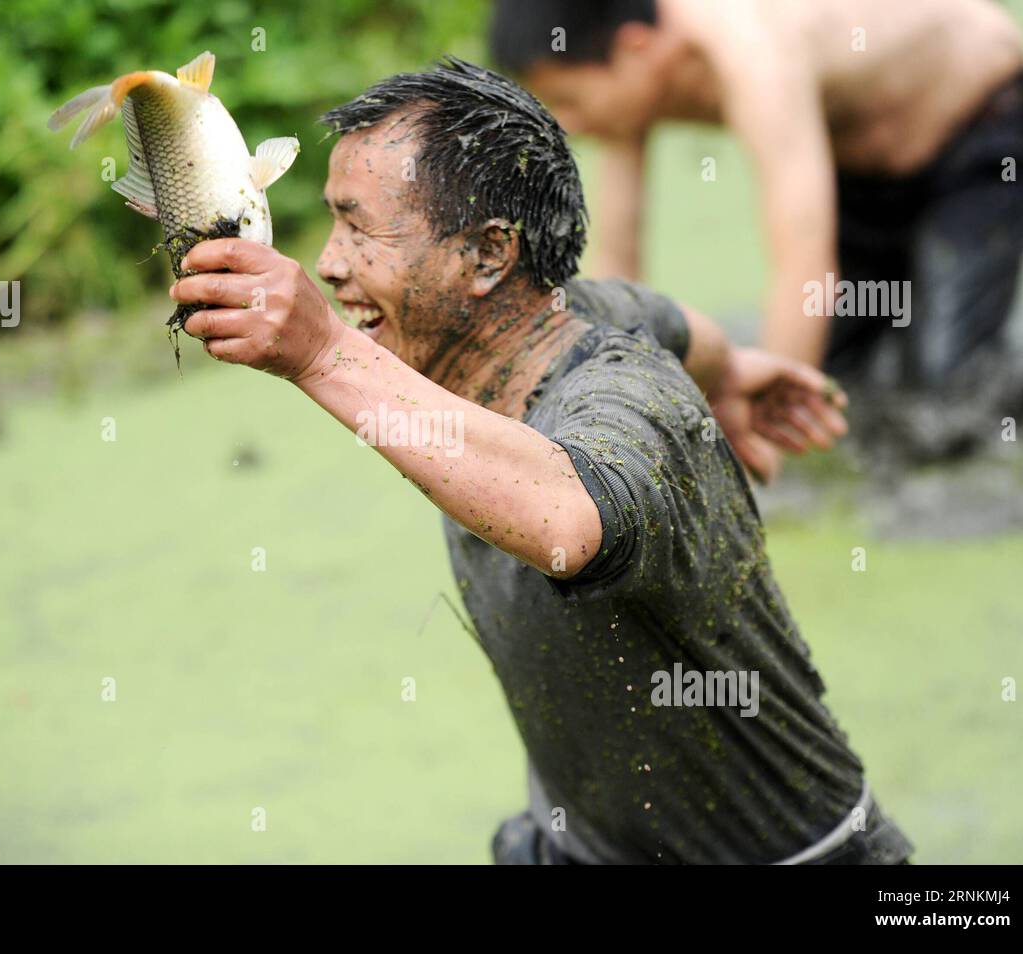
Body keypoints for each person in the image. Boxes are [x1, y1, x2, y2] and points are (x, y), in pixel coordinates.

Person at [168, 58, 911, 863]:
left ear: (490, 256)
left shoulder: (631, 410)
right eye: (332, 225)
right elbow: (664, 317)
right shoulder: (572, 311)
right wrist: (729, 374)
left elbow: (568, 518)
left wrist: (321, 355)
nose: (332, 263)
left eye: (361, 229)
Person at [489, 0, 1023, 390]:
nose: (568, 123)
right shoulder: (632, 74)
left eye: (570, 99)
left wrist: (771, 452)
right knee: (840, 373)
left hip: (980, 129)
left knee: (944, 383)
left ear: (635, 47)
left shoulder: (751, 49)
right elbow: (619, 261)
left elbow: (805, 264)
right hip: (860, 169)